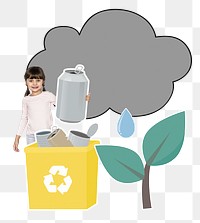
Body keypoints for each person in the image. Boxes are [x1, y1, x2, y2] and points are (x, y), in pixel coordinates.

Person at [13, 66, 56, 152]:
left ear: (43, 81)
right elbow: (24, 118)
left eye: (38, 80)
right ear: (26, 82)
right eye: (31, 80)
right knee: (33, 159)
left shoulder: (48, 96)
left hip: (46, 135)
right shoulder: (26, 100)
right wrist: (17, 137)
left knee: (45, 159)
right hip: (31, 136)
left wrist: (83, 99)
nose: (34, 83)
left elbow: (65, 105)